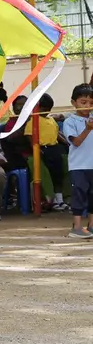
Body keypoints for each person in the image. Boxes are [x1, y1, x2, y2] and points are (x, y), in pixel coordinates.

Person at [62, 84, 93, 239]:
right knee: (79, 195)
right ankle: (77, 227)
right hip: (79, 166)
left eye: (91, 103)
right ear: (74, 102)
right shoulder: (70, 121)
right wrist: (87, 129)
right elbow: (77, 142)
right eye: (83, 102)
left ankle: (91, 226)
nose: (88, 106)